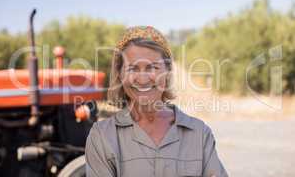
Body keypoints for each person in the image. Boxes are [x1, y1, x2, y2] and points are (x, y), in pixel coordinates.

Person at [85, 26, 228, 177]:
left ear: (167, 72)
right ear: (120, 75)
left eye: (152, 67)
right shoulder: (102, 137)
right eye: (132, 68)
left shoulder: (199, 134)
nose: (142, 78)